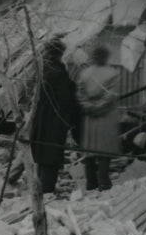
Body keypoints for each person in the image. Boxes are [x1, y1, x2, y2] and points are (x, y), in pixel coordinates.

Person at [29, 36, 80, 194]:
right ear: (59, 53)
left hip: (40, 118)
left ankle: (39, 190)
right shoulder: (58, 71)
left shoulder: (42, 69)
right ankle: (47, 191)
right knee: (51, 156)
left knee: (41, 156)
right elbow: (65, 98)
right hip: (54, 121)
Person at [73, 44, 121, 191]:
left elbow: (80, 93)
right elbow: (111, 95)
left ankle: (91, 183)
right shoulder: (113, 73)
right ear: (107, 57)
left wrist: (89, 106)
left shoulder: (85, 73)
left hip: (90, 116)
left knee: (90, 150)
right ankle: (104, 183)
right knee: (104, 152)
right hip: (106, 115)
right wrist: (99, 106)